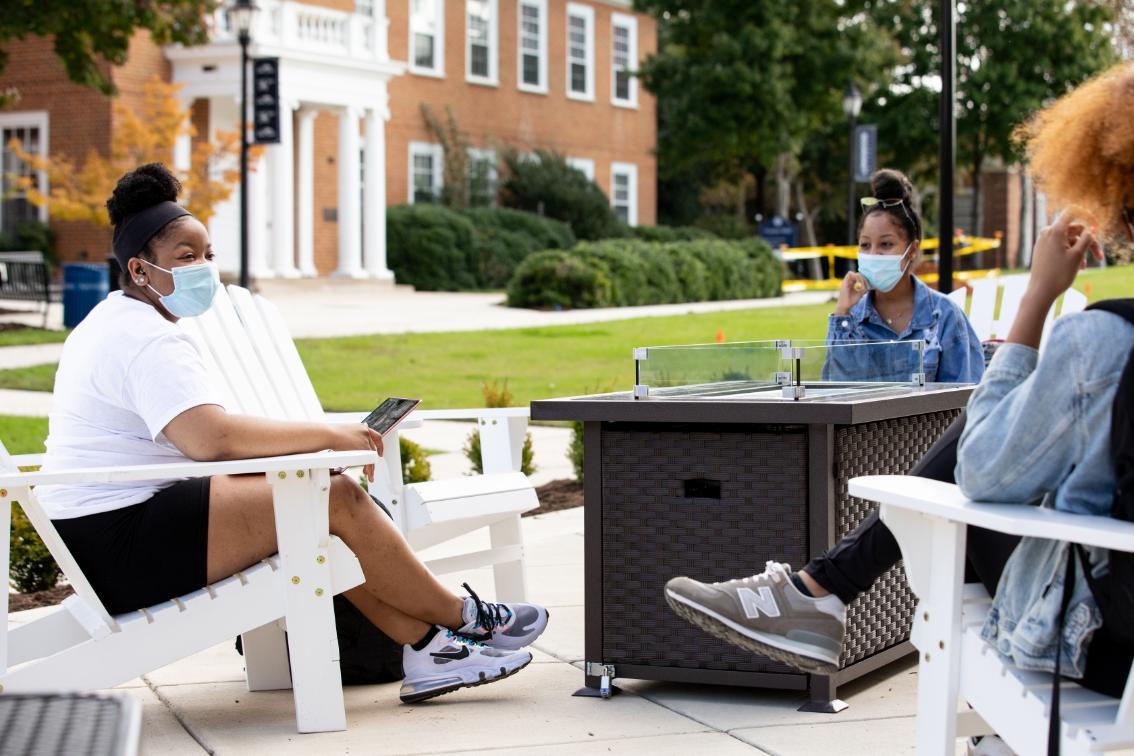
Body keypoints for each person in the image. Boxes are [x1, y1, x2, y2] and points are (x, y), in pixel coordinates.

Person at [665, 61, 1134, 692]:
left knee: (967, 468)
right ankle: (819, 590)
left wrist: (1038, 296)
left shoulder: (1103, 342)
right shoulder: (857, 313)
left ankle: (820, 590)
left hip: (1102, 642)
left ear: (1122, 216)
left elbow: (986, 466)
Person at [38, 163, 549, 704]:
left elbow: (199, 446)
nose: (204, 269)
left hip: (107, 530)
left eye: (208, 255)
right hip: (119, 545)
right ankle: (466, 618)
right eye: (186, 258)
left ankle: (428, 650)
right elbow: (210, 440)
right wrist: (331, 436)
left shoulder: (116, 320)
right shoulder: (147, 339)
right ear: (141, 271)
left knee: (311, 497)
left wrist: (315, 453)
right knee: (334, 496)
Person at [823, 168, 984, 384]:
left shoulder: (945, 317)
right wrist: (842, 313)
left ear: (913, 249)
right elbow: (835, 397)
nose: (874, 254)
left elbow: (964, 400)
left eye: (886, 244)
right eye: (865, 245)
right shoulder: (851, 322)